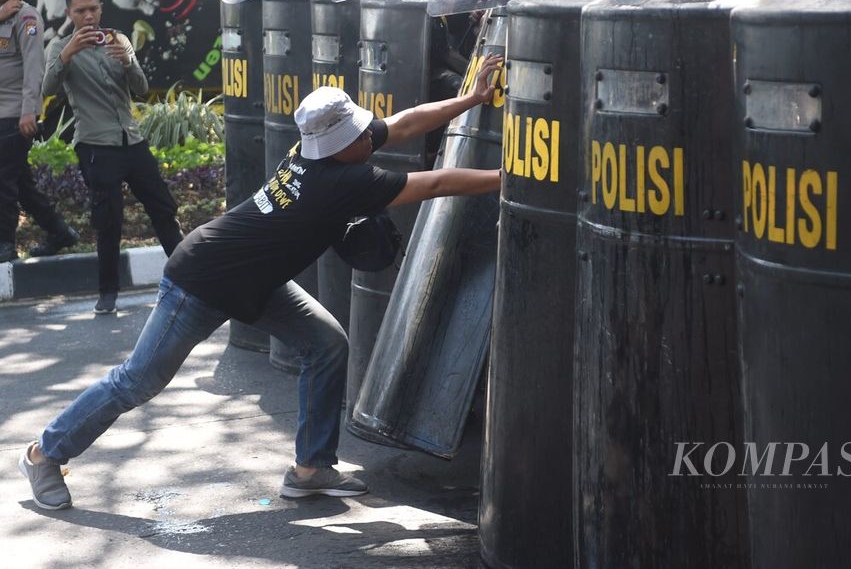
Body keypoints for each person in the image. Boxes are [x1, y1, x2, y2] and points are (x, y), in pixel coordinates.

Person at [19, 53, 505, 511]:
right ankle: (45, 454)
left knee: (326, 344)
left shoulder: (327, 151)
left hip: (256, 279)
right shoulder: (344, 181)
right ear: (341, 146)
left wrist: (473, 98)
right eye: (362, 134)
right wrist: (511, 177)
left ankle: (311, 469)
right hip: (202, 280)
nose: (371, 138)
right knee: (138, 381)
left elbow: (403, 123)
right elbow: (438, 183)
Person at [42, 0, 182, 314]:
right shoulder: (60, 47)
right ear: (69, 13)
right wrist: (67, 54)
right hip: (95, 145)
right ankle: (108, 293)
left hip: (131, 140)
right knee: (108, 221)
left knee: (164, 208)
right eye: (81, 11)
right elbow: (47, 86)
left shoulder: (118, 38)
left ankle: (190, 280)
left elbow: (141, 87)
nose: (88, 16)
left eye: (93, 9)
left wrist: (129, 61)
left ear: (101, 8)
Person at [0, 0, 79, 264]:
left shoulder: (26, 17)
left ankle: (5, 244)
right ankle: (60, 232)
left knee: (4, 180)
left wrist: (30, 111)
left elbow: (34, 68)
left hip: (13, 114)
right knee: (19, 181)